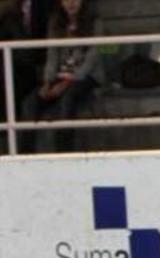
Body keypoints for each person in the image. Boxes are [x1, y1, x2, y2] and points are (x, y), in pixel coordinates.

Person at [20, 0, 103, 153]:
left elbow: (93, 57)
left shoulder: (94, 21)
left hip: (85, 76)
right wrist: (47, 82)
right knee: (30, 103)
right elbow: (52, 55)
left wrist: (66, 83)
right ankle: (25, 155)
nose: (71, 3)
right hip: (60, 75)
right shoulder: (55, 22)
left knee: (67, 99)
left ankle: (64, 153)